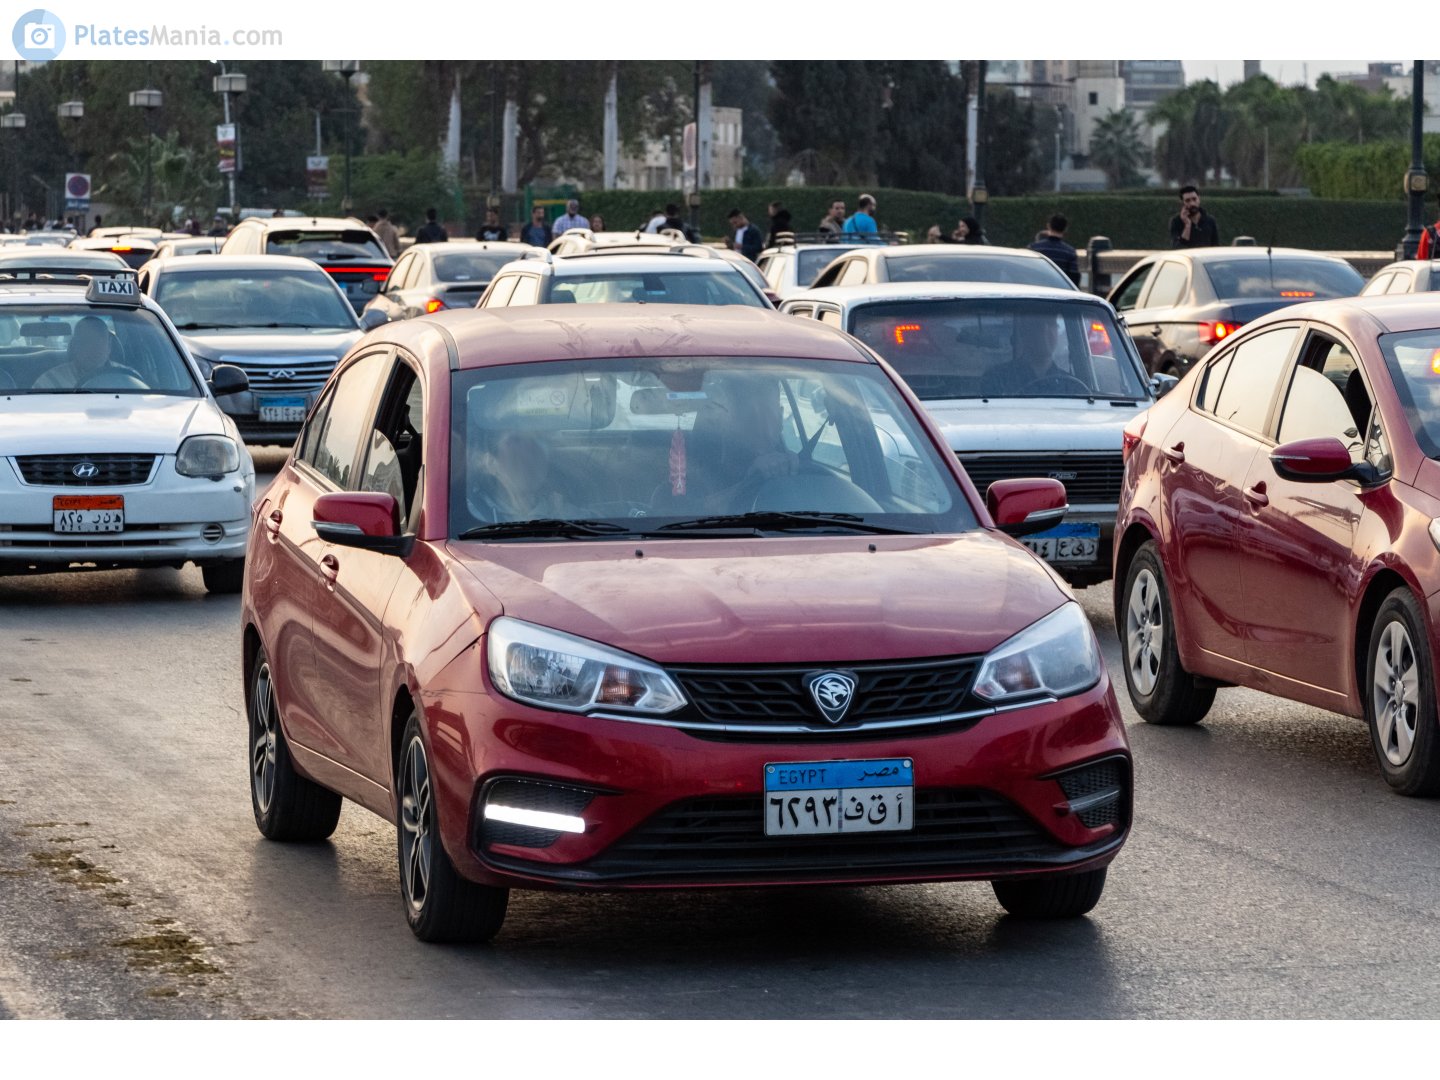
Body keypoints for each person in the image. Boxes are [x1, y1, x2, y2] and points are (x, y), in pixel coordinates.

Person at [468, 431, 573, 523]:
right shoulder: (472, 515)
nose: (527, 452)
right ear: (489, 462)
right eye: (515, 441)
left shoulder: (567, 514)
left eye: (536, 442)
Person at [984, 314, 1084, 396]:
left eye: (1051, 324)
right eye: (1038, 325)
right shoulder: (998, 378)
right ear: (1024, 333)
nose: (1045, 332)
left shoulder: (1071, 384)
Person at [34, 317, 144, 391]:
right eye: (86, 341)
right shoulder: (50, 381)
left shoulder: (129, 379)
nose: (93, 348)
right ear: (75, 346)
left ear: (109, 346)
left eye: (98, 342)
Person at [1028, 213, 1082, 286]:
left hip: (1038, 288)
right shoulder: (1070, 252)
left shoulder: (1034, 248)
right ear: (1065, 229)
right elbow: (1074, 278)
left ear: (1048, 226)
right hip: (1060, 291)